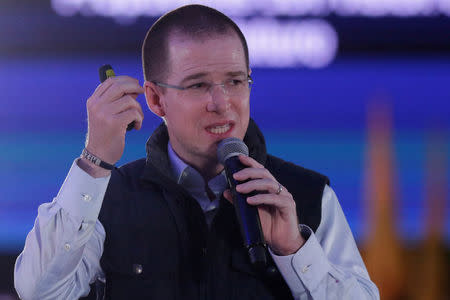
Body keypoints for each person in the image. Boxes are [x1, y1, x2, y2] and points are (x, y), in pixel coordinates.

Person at [14, 4, 379, 300]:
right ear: (156, 99)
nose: (221, 104)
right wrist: (94, 160)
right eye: (199, 85)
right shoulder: (107, 199)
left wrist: (294, 249)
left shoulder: (307, 195)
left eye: (235, 81)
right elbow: (40, 292)